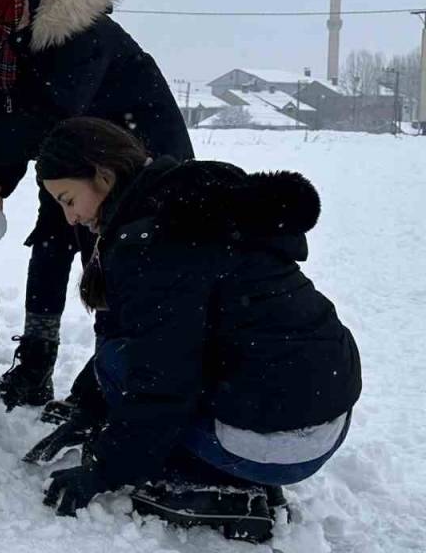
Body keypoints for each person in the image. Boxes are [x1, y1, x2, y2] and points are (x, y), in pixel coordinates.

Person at [27, 117, 360, 542]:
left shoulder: (153, 244)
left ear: (103, 176)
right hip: (326, 422)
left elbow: (164, 381)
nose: (70, 217)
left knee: (119, 363)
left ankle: (216, 490)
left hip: (278, 444)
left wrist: (104, 468)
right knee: (125, 365)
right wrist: (94, 409)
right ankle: (230, 459)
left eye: (68, 199)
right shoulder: (191, 203)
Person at [0, 0, 194, 413]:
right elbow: (14, 112)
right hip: (75, 154)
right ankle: (35, 365)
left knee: (113, 266)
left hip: (142, 161)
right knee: (50, 244)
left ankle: (108, 389)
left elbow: (50, 114)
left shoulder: (74, 30)